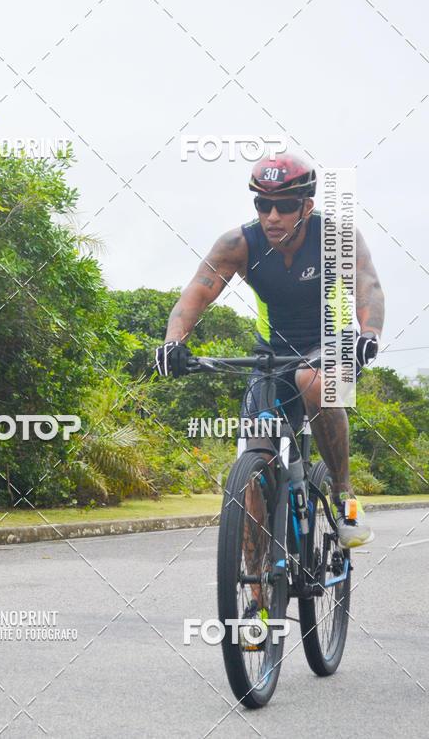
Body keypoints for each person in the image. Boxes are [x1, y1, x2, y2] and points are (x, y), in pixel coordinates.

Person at [154, 152, 384, 548]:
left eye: (285, 205)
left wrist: (370, 332)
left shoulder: (335, 237)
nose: (273, 216)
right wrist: (173, 341)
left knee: (312, 380)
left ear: (307, 206)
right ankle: (258, 594)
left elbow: (367, 283)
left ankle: (344, 497)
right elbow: (198, 290)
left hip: (332, 350)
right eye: (263, 204)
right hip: (270, 357)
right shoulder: (238, 243)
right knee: (254, 472)